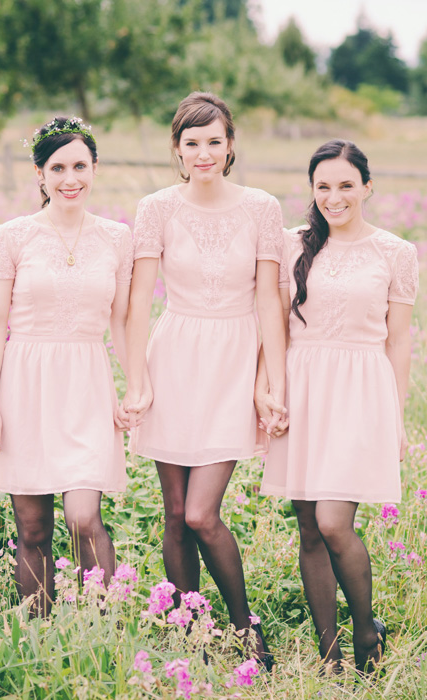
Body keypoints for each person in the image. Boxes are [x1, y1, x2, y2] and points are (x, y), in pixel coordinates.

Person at [121, 92, 286, 666]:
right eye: (192, 143)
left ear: (231, 145)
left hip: (233, 364)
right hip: (174, 359)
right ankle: (192, 627)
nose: (204, 153)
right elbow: (139, 303)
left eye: (214, 141)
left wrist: (270, 381)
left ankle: (246, 628)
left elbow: (271, 301)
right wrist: (136, 379)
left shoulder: (262, 207)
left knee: (200, 513)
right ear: (177, 149)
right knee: (173, 513)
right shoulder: (156, 208)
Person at [256, 139, 419, 675]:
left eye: (346, 185)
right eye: (323, 186)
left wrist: (394, 416)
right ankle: (329, 652)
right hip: (302, 388)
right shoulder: (292, 244)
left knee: (332, 522)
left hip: (360, 394)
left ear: (367, 187)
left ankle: (366, 633)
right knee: (307, 526)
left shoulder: (395, 251)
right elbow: (274, 325)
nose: (334, 196)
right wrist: (270, 388)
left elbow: (399, 342)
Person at [0, 116, 133, 616]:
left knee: (84, 516)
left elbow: (122, 322)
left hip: (86, 384)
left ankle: (99, 626)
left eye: (80, 165)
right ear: (39, 174)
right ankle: (39, 632)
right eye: (57, 167)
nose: (70, 178)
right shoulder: (11, 237)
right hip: (23, 385)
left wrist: (136, 386)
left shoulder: (117, 238)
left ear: (95, 167)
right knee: (32, 528)